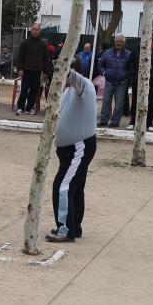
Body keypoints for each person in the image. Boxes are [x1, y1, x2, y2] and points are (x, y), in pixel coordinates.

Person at [46, 56, 97, 243]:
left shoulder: (85, 86)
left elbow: (71, 74)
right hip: (71, 149)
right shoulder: (68, 91)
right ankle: (74, 226)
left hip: (79, 147)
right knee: (75, 187)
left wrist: (62, 64)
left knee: (62, 186)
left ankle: (65, 230)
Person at [128, 37, 153, 132]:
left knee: (150, 101)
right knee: (135, 99)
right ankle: (132, 122)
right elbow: (131, 63)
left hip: (151, 81)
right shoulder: (136, 48)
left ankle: (149, 123)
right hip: (137, 80)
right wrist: (135, 74)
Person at [15, 23, 49, 115]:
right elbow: (20, 57)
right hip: (26, 70)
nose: (35, 31)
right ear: (31, 30)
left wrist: (45, 71)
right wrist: (20, 69)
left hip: (37, 71)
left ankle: (29, 107)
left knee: (34, 91)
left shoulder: (43, 44)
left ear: (40, 31)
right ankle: (20, 107)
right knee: (24, 90)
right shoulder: (25, 43)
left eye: (37, 29)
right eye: (33, 29)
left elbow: (46, 58)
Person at [98, 34, 131, 128]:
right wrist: (104, 72)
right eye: (117, 41)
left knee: (119, 104)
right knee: (105, 102)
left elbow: (131, 67)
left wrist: (126, 74)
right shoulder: (107, 53)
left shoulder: (128, 54)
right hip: (108, 81)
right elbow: (100, 65)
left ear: (124, 43)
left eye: (120, 41)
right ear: (114, 42)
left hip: (122, 83)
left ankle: (115, 122)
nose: (118, 43)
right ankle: (103, 121)